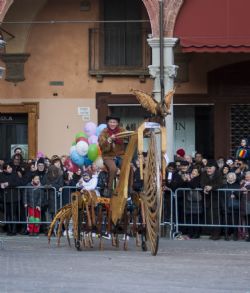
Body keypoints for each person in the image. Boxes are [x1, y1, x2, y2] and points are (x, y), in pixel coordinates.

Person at [98, 115, 126, 197]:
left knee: (129, 168)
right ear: (108, 123)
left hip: (120, 155)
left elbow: (131, 134)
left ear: (117, 123)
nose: (112, 124)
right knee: (113, 168)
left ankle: (128, 188)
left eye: (114, 122)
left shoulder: (121, 130)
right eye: (111, 122)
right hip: (108, 156)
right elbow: (101, 145)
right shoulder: (104, 132)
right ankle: (108, 188)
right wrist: (109, 140)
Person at [200, 160, 223, 240]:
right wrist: (204, 188)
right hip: (207, 198)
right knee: (209, 216)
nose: (208, 170)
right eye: (207, 168)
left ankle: (217, 234)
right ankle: (212, 233)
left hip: (216, 198)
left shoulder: (218, 174)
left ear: (214, 168)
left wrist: (211, 187)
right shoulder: (204, 174)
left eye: (210, 168)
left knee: (216, 217)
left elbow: (220, 184)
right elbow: (202, 183)